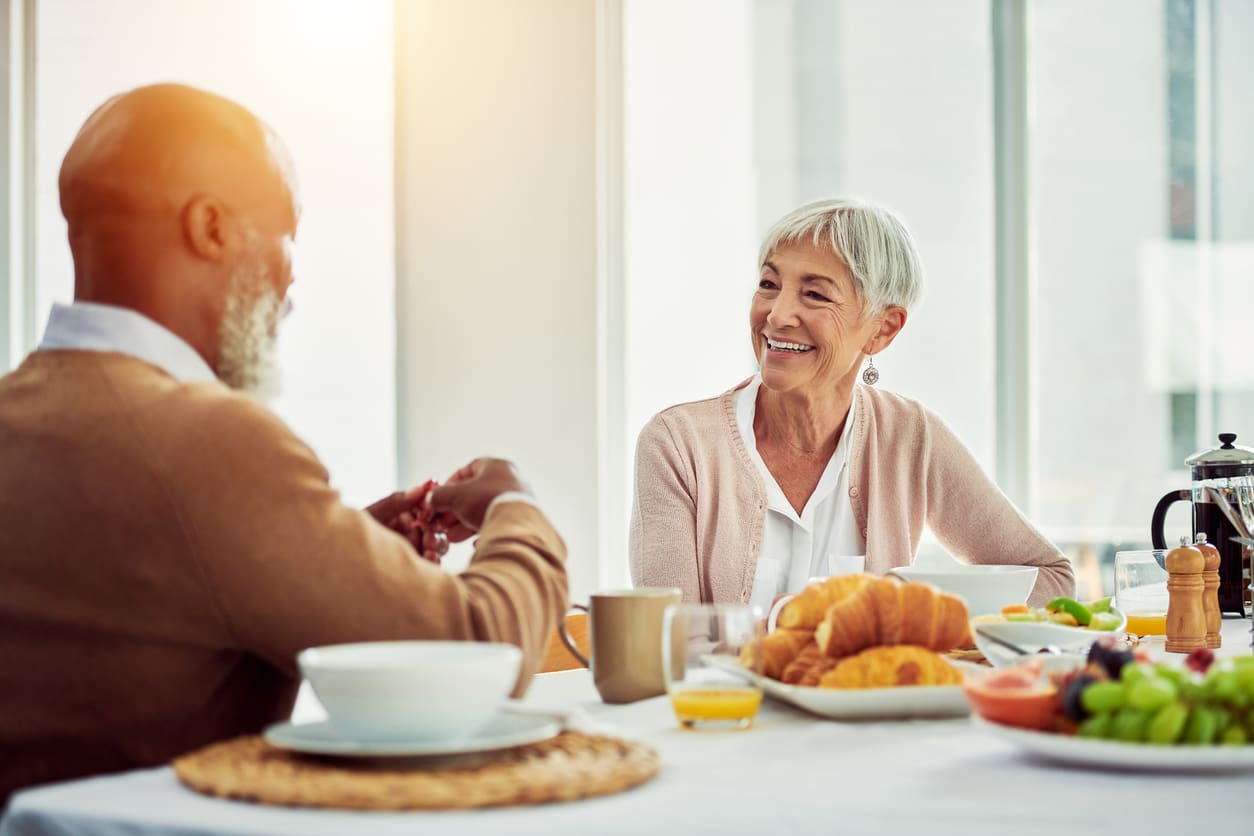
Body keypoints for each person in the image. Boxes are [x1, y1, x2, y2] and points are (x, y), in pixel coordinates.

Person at [0, 84, 568, 803]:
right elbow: (476, 658)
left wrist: (339, 548)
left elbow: (144, 606)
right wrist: (515, 504)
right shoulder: (206, 440)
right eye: (287, 232)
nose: (294, 276)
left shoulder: (21, 417)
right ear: (209, 227)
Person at [629, 197, 1074, 612]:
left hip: (874, 698)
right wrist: (793, 620)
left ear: (883, 329)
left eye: (815, 294)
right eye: (769, 284)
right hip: (731, 700)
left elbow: (1052, 581)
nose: (778, 314)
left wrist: (918, 617)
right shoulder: (677, 445)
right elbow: (669, 640)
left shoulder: (910, 436)